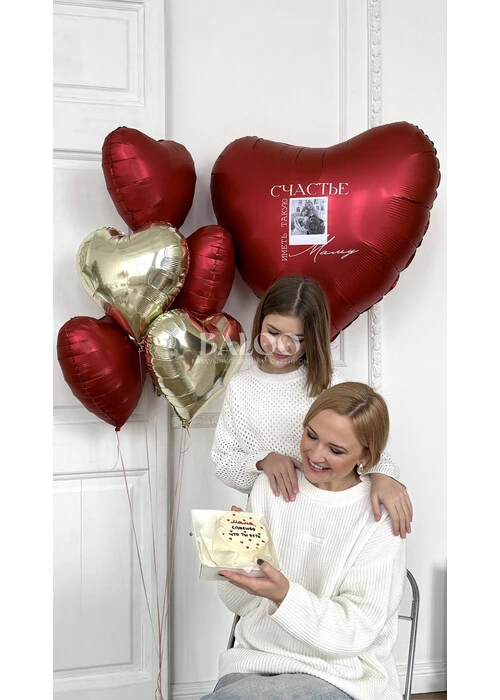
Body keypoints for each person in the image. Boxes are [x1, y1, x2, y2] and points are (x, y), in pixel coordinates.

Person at [202, 382, 406, 700]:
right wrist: (232, 554)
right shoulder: (270, 487)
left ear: (365, 455)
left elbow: (357, 630)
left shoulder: (379, 514)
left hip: (342, 677)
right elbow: (241, 604)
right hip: (253, 666)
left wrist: (284, 595)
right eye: (311, 435)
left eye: (336, 450)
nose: (315, 454)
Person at [211, 275, 412, 537]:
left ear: (312, 339)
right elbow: (223, 462)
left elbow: (366, 449)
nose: (282, 346)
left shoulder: (330, 384)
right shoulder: (240, 388)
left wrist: (383, 476)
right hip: (271, 517)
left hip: (328, 518)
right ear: (260, 321)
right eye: (273, 332)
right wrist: (263, 461)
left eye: (297, 338)